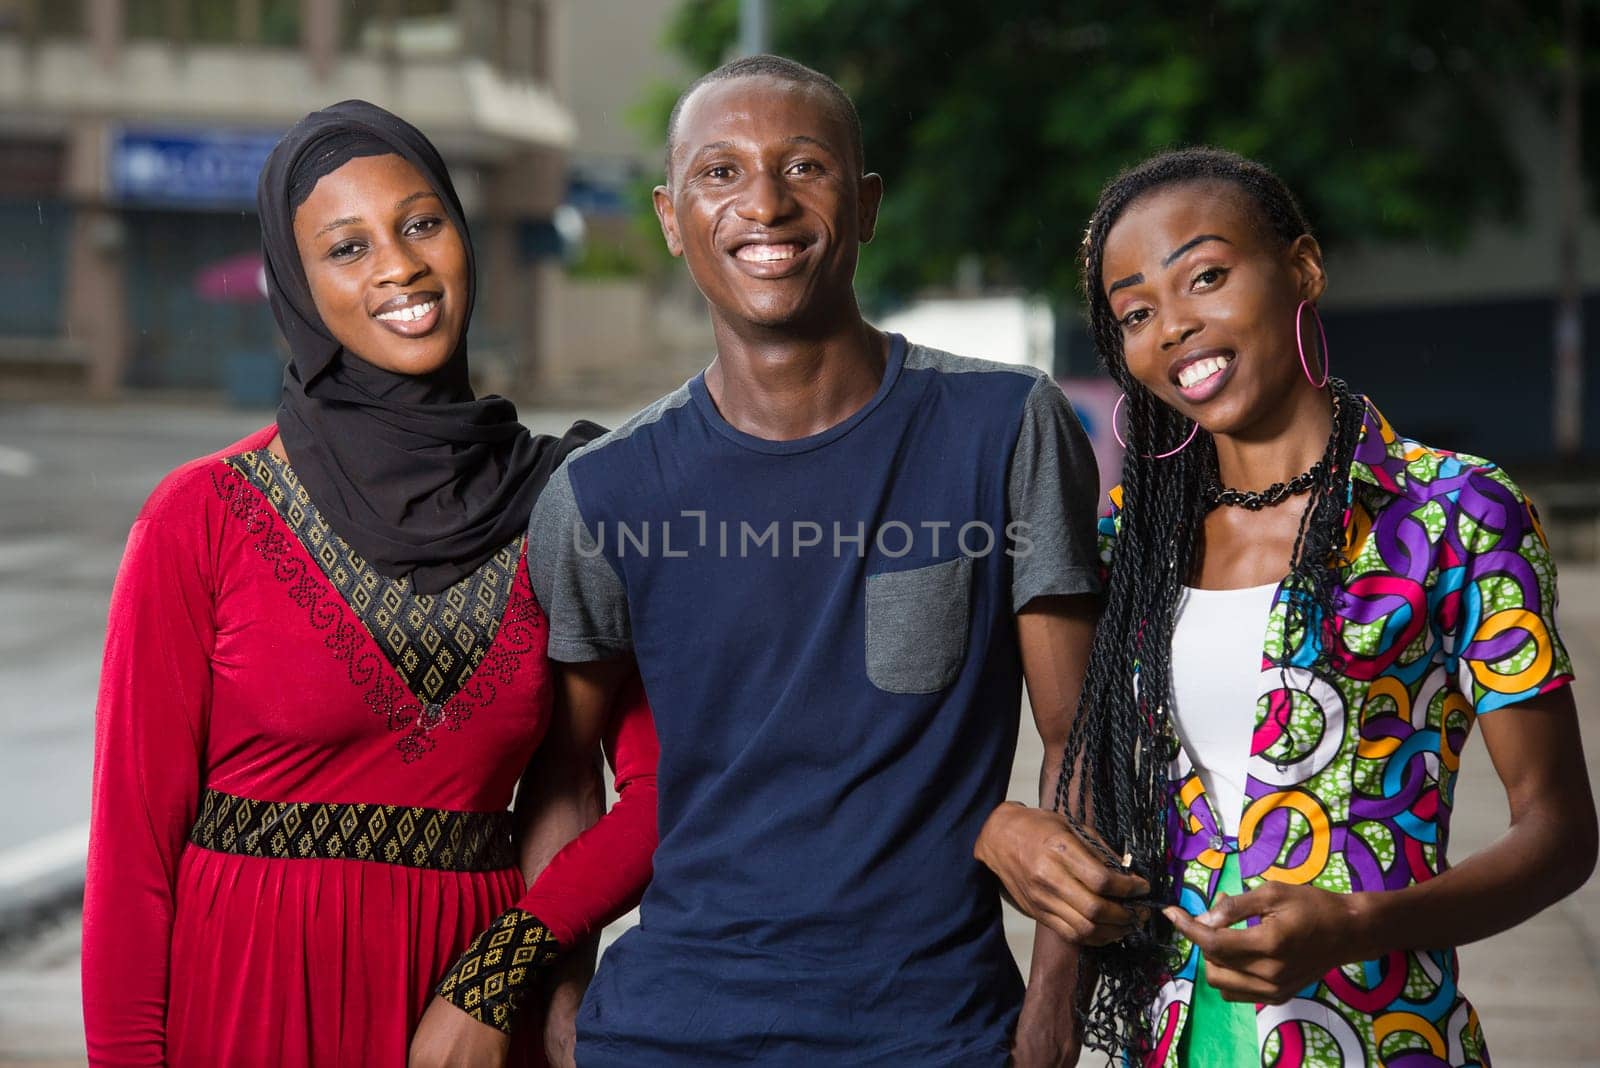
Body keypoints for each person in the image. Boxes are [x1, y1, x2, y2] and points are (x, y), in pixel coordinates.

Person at [525, 55, 1136, 1067]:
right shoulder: (603, 492)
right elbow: (563, 780)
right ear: (672, 218)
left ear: (863, 206)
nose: (762, 202)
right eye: (719, 173)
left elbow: (1078, 737)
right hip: (663, 1031)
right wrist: (559, 1015)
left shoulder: (1000, 429)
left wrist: (1050, 1016)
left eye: (801, 167)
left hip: (934, 1031)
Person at [982, 146, 1598, 1067]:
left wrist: (1356, 925)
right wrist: (1001, 836)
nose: (1175, 327)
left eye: (1207, 277)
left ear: (1303, 267)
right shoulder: (1131, 539)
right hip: (1173, 1038)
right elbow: (1081, 769)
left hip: (1380, 1037)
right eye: (1138, 313)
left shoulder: (1454, 512)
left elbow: (1557, 832)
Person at [80, 100, 658, 1068]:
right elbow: (132, 866)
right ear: (298, 288)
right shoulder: (200, 518)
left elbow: (657, 791)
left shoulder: (567, 506)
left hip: (467, 1021)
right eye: (346, 248)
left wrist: (500, 975)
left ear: (461, 234)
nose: (399, 266)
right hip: (241, 1012)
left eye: (421, 223)